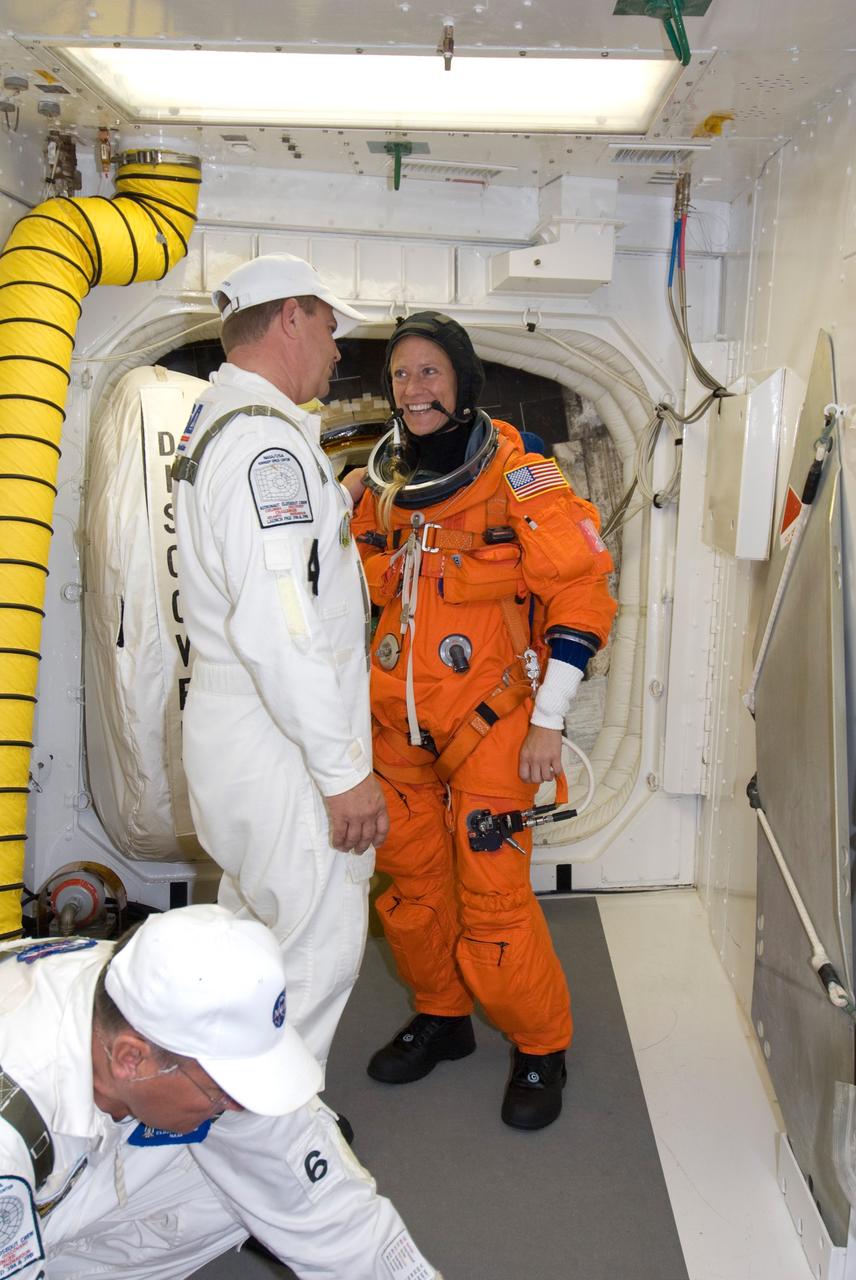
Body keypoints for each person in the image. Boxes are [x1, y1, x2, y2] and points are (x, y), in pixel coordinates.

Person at [350, 312, 617, 1130]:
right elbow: (352, 581)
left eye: (429, 372)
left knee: (494, 904)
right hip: (398, 726)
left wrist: (548, 722)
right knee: (414, 893)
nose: (413, 389)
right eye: (401, 375)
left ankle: (541, 1049)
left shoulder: (519, 475)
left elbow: (580, 597)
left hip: (491, 722)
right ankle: (442, 1017)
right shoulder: (384, 481)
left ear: (462, 381)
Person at [172, 254, 388, 1067]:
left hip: (240, 725)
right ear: (291, 316)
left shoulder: (217, 423)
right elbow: (283, 626)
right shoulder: (267, 449)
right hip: (283, 741)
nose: (337, 352)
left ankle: (227, 1111)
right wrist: (342, 774)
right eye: (331, 327)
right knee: (313, 946)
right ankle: (276, 1132)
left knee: (260, 930)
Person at [0, 904, 440, 1279]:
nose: (238, 1105)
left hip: (67, 1167)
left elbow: (335, 1213)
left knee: (262, 1182)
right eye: (221, 1090)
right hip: (24, 1153)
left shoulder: (151, 999)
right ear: (132, 1059)